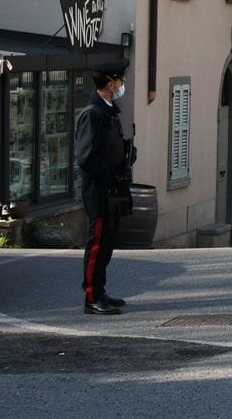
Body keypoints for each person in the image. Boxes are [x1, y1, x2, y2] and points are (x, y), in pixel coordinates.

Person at [75, 58, 135, 315]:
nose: (123, 84)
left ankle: (101, 290)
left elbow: (112, 147)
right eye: (120, 79)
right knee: (98, 243)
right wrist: (110, 174)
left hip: (112, 188)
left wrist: (127, 157)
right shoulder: (93, 114)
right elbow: (86, 157)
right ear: (111, 83)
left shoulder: (109, 110)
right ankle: (92, 296)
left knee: (108, 243)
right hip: (99, 190)